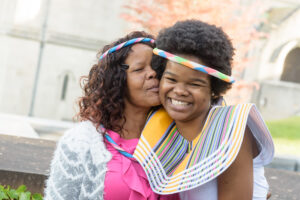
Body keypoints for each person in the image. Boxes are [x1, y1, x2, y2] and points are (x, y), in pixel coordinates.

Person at [133, 20, 274, 200]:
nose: (180, 91)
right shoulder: (159, 122)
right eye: (171, 80)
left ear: (214, 89)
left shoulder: (230, 130)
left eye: (194, 84)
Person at [44, 31, 179, 200]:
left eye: (157, 67)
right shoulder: (82, 142)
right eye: (139, 69)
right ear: (117, 80)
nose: (152, 74)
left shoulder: (178, 139)